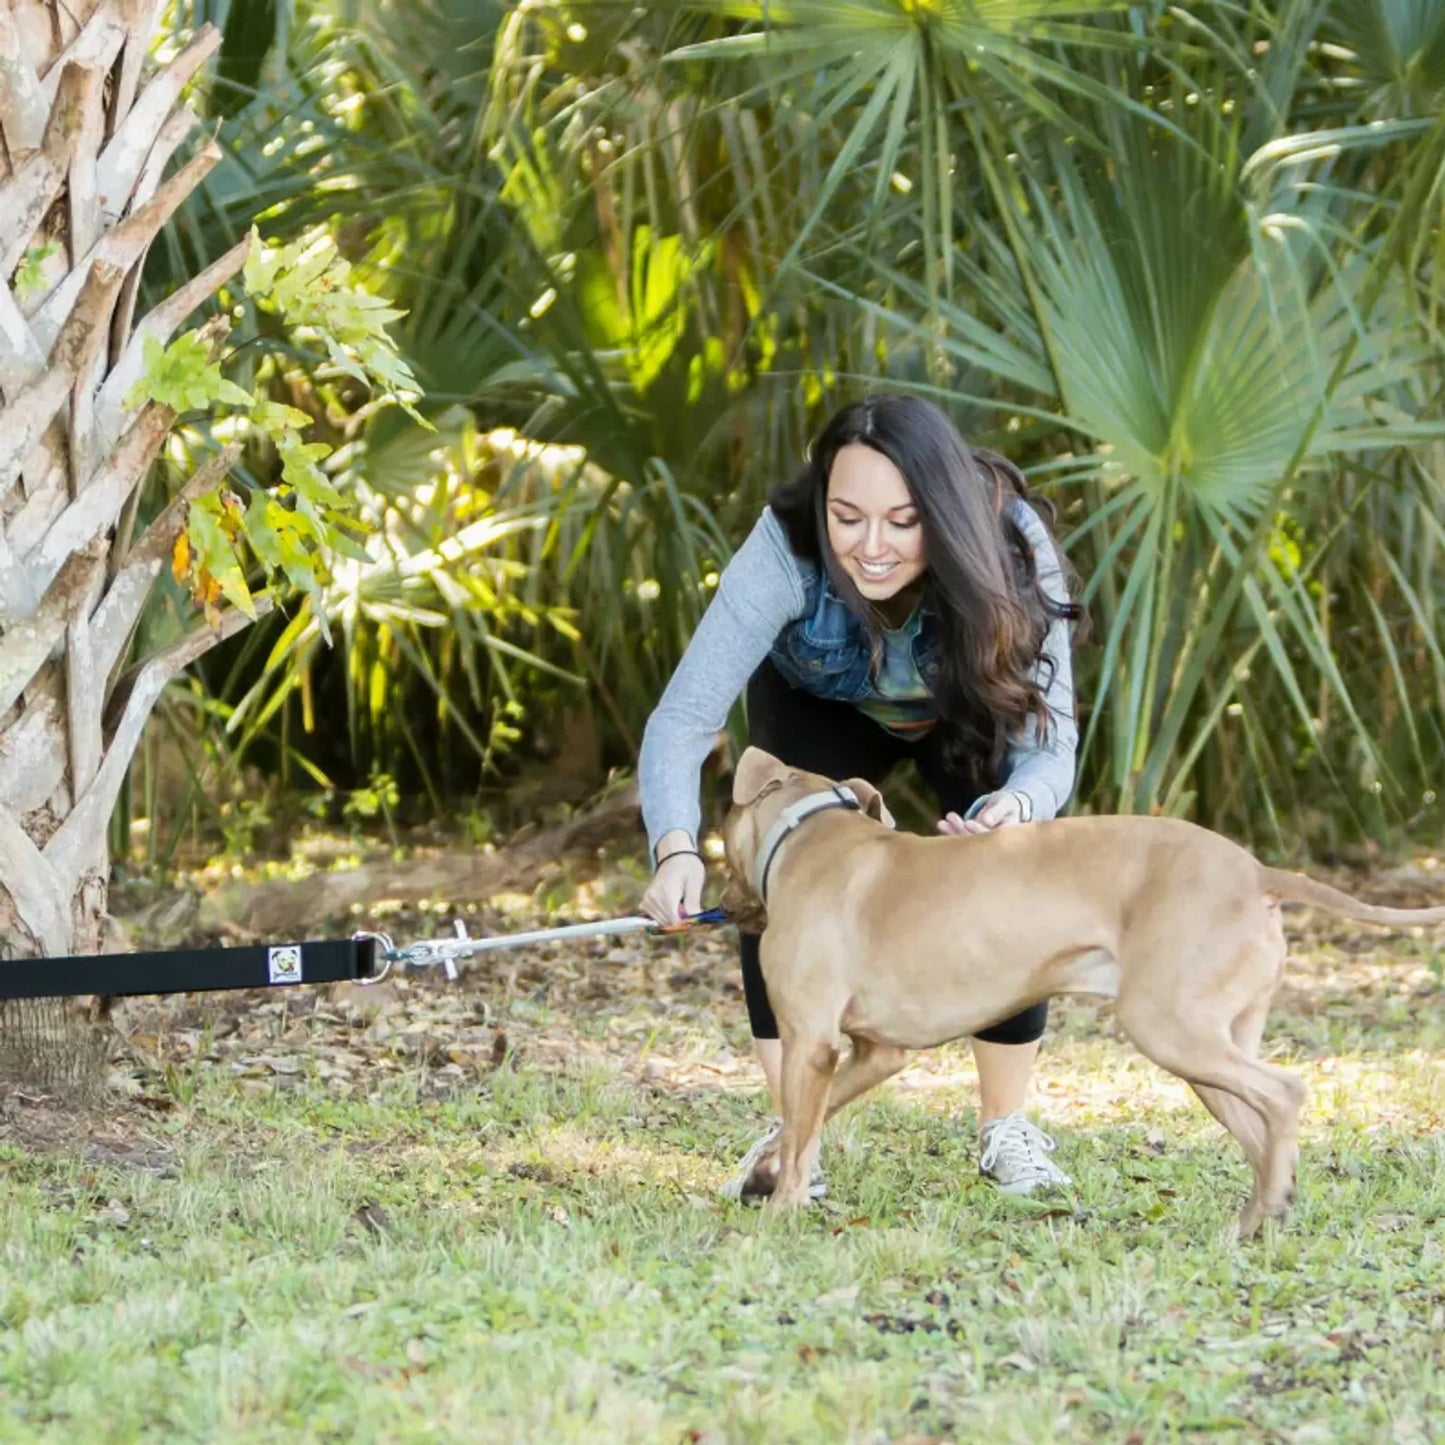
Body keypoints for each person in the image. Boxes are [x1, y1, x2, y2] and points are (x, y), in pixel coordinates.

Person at [637, 392, 1083, 1200]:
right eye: (847, 517)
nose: (870, 547)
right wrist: (673, 846)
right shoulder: (783, 547)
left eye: (901, 522)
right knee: (779, 875)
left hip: (961, 710)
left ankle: (1005, 1127)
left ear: (942, 512)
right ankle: (790, 1136)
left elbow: (1049, 749)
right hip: (821, 706)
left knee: (1006, 877)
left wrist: (1016, 810)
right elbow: (681, 718)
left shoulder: (1011, 543)